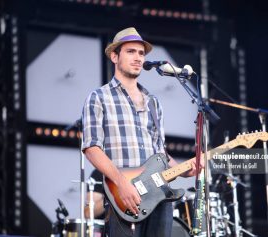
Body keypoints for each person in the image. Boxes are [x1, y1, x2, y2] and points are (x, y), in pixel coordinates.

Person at [81, 27, 201, 237]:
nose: (138, 57)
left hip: (160, 197)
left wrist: (184, 169)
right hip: (124, 196)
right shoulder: (98, 97)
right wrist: (122, 184)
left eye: (141, 53)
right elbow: (91, 148)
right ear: (114, 56)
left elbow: (160, 154)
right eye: (131, 51)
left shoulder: (153, 102)